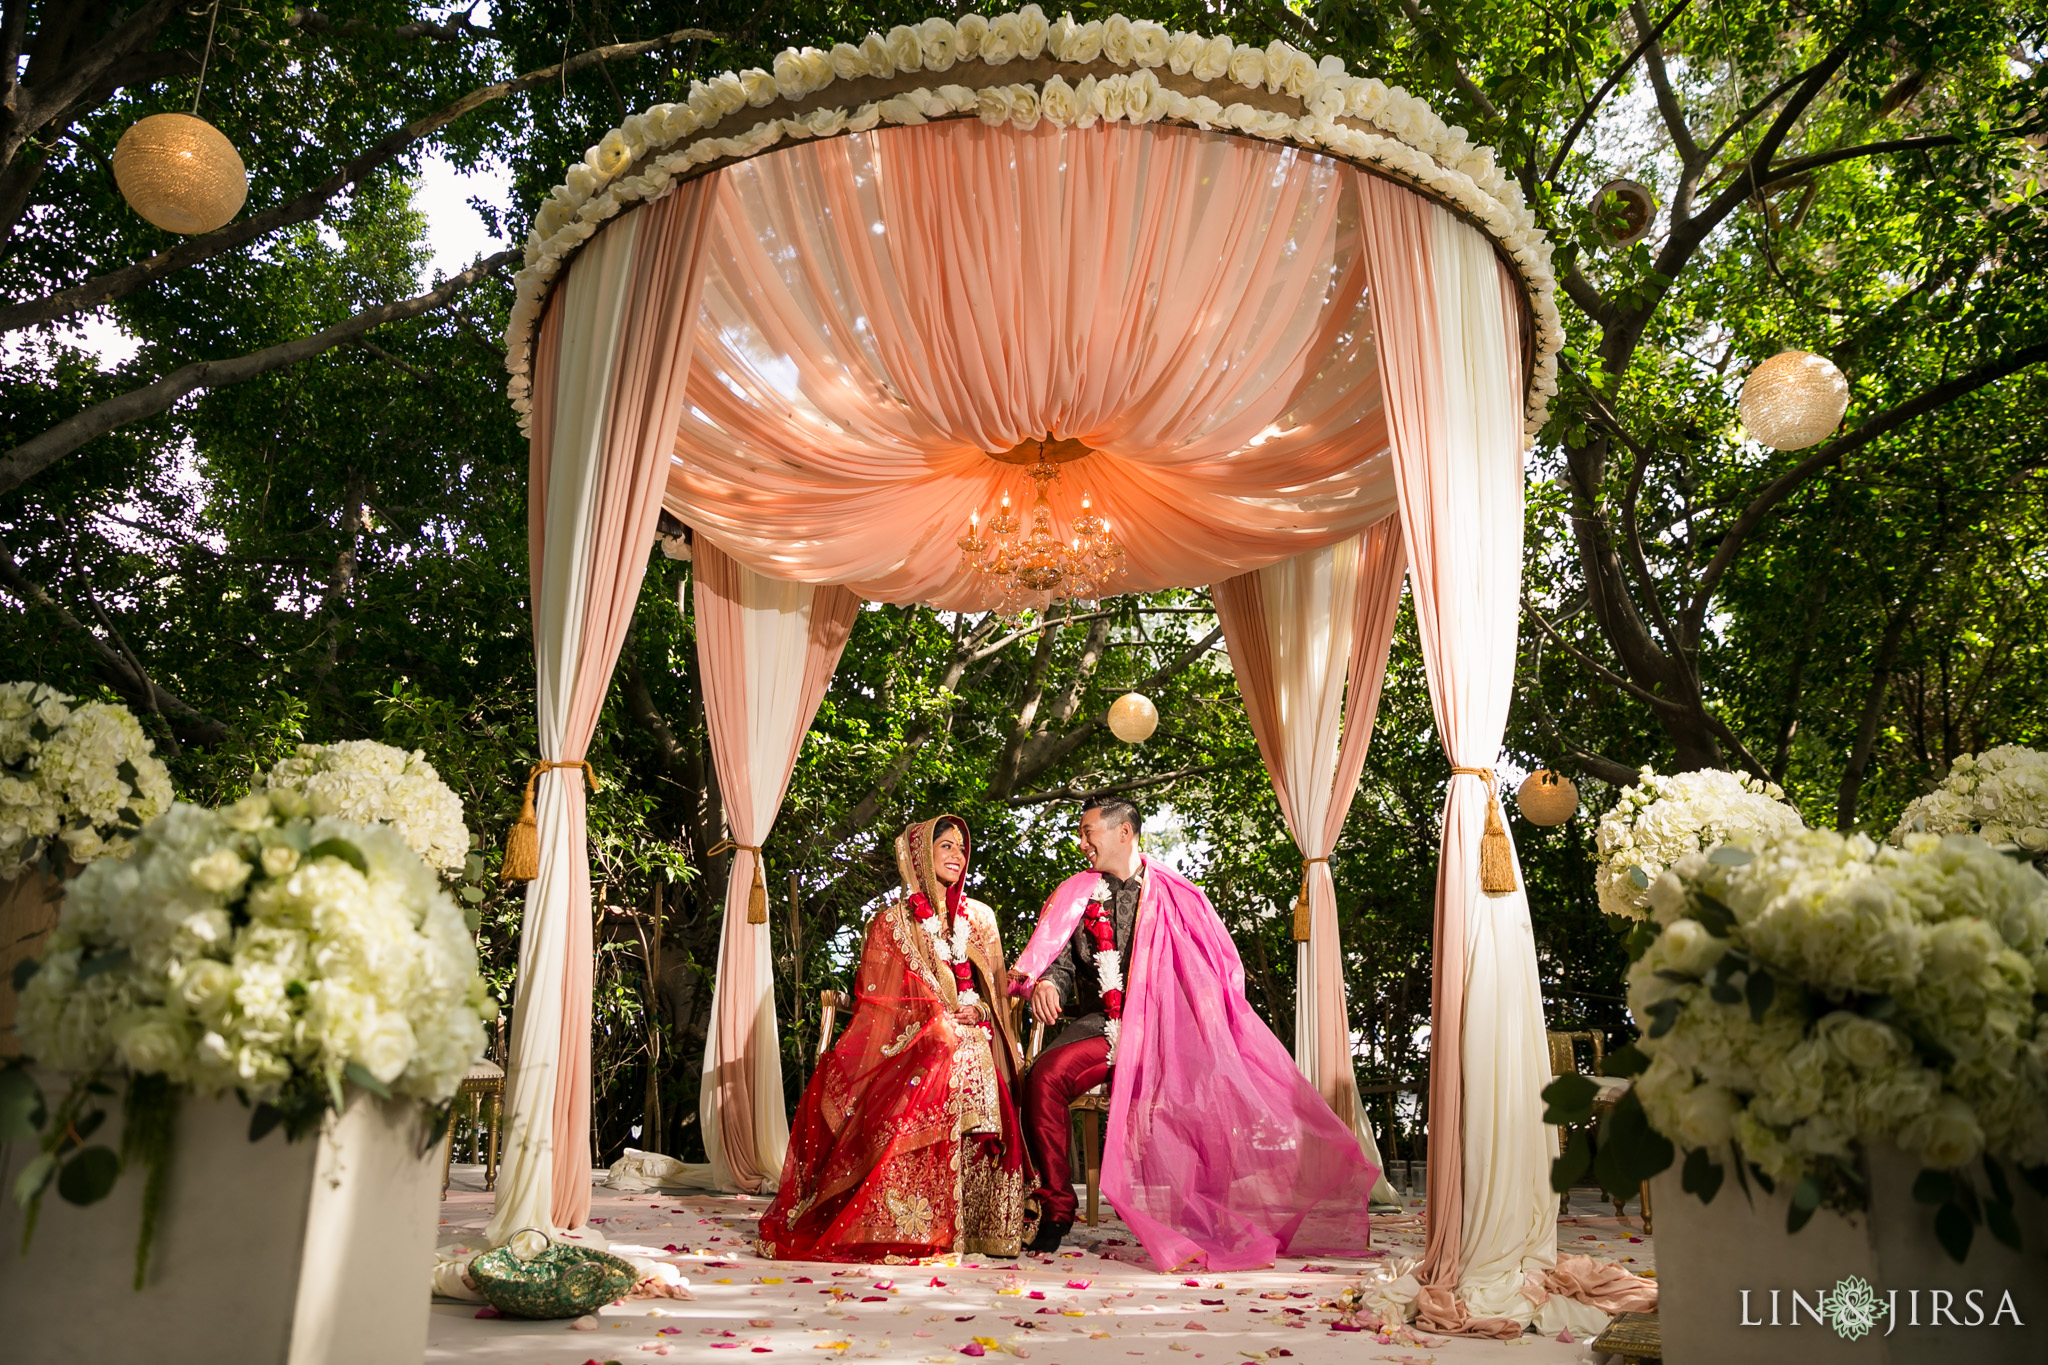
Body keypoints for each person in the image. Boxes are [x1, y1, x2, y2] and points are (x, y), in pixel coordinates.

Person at [1011, 797, 1380, 1270]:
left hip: (1170, 1030)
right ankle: (1057, 1209)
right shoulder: (1076, 895)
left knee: (1214, 1084)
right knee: (1045, 1077)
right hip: (1105, 1026)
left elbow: (1213, 972)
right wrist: (1045, 983)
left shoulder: (1178, 896)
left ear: (1123, 833)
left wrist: (1196, 1030)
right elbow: (1059, 963)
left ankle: (1210, 1213)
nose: (1081, 843)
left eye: (1088, 833)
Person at [758, 815, 1037, 1261]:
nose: (955, 856)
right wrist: (938, 1018)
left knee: (969, 1047)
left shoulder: (980, 917)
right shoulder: (892, 924)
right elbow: (882, 999)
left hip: (971, 1034)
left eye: (961, 849)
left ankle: (984, 1226)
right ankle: (918, 1222)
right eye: (944, 846)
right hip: (912, 1043)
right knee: (946, 1044)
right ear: (918, 855)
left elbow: (996, 996)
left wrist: (978, 1009)